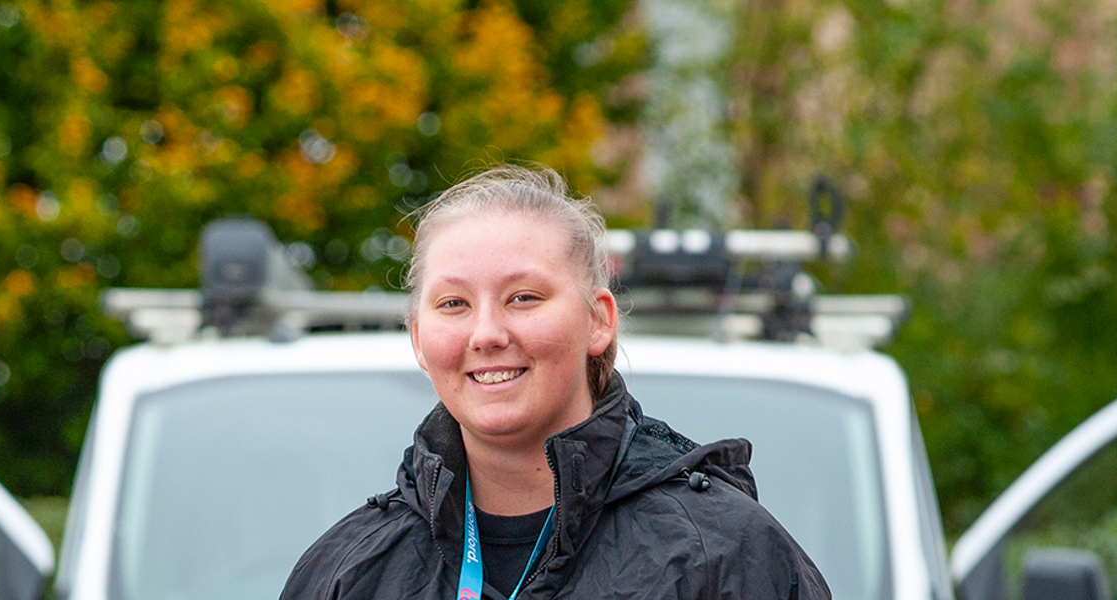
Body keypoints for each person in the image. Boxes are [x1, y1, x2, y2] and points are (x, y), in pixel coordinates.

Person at [280, 165, 831, 599]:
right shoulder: (348, 573)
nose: (487, 332)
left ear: (598, 320)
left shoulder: (723, 557)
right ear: (419, 339)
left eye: (524, 298)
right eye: (454, 304)